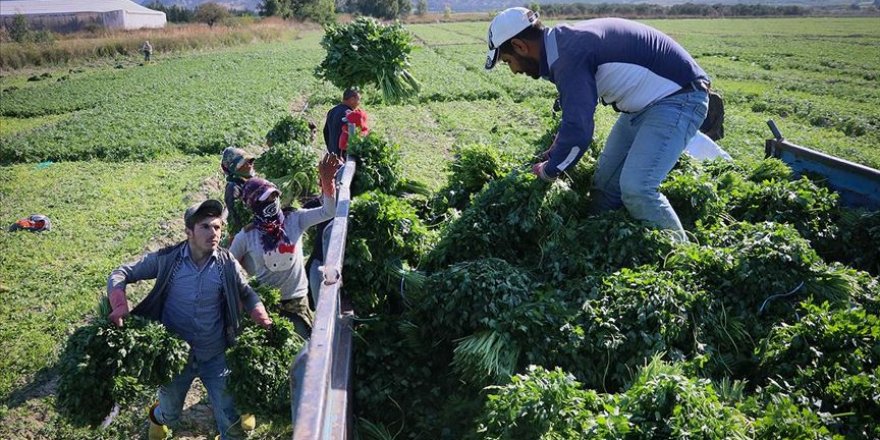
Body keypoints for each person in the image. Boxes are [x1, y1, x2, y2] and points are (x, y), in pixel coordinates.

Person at [485, 8, 710, 242]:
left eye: (508, 61)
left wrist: (550, 171)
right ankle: (596, 247)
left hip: (679, 97)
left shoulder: (568, 55)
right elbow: (574, 115)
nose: (514, 70)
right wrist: (556, 148)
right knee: (604, 188)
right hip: (642, 106)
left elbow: (579, 131)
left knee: (637, 189)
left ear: (520, 46)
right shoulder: (562, 45)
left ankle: (683, 259)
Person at [106, 200, 272, 440]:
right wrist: (120, 304)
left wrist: (259, 313)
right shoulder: (168, 260)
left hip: (215, 354)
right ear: (189, 232)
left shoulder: (227, 264)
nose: (213, 233)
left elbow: (246, 292)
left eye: (217, 227)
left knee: (231, 418)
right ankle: (157, 416)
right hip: (176, 358)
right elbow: (120, 273)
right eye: (205, 227)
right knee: (171, 414)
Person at [229, 154, 342, 338]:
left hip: (297, 301)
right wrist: (242, 293)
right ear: (253, 206)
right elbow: (228, 265)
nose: (272, 204)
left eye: (274, 198)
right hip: (267, 307)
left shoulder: (294, 220)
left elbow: (328, 211)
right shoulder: (247, 236)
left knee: (304, 349)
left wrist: (327, 180)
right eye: (265, 201)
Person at [221, 147, 256, 242]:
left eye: (250, 161)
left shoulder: (250, 183)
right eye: (244, 162)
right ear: (235, 168)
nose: (250, 164)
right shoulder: (233, 188)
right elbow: (238, 218)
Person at [323, 88, 361, 156]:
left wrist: (331, 149)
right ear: (352, 99)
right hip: (343, 158)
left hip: (333, 155)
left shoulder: (332, 111)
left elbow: (325, 132)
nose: (359, 103)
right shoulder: (349, 115)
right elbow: (353, 138)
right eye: (358, 100)